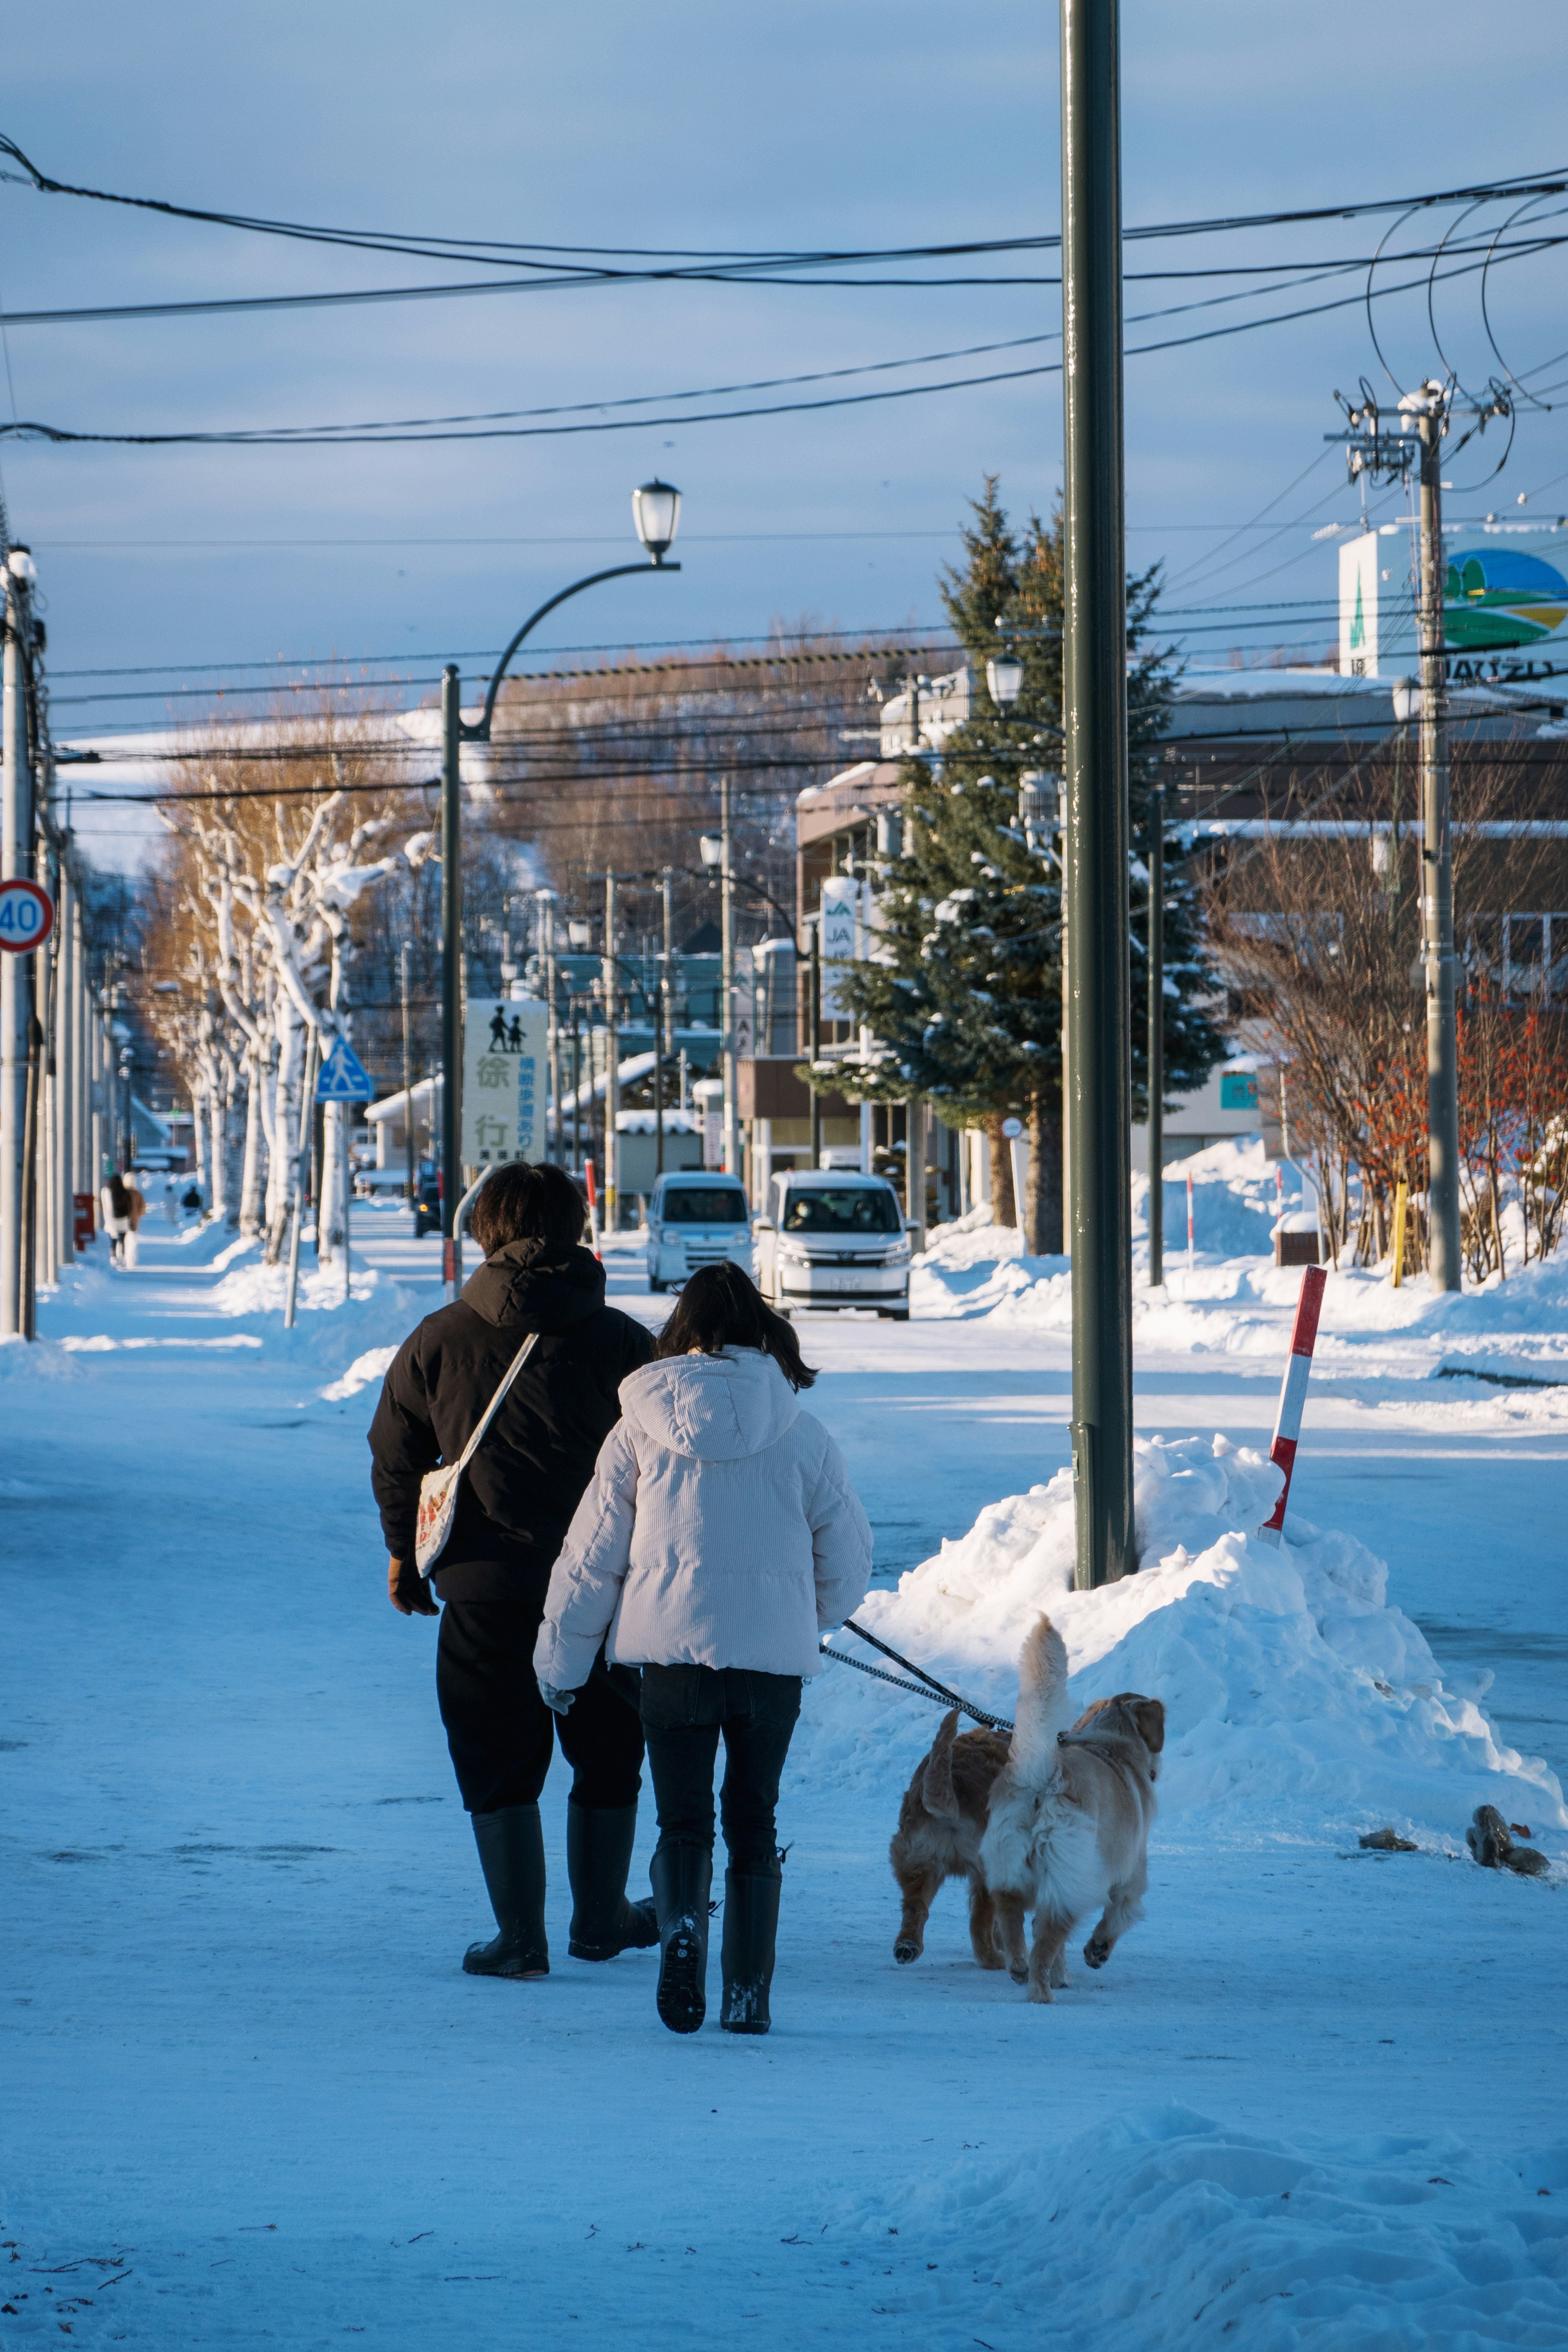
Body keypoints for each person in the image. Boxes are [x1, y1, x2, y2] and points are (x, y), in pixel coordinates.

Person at [533, 1262, 872, 2038]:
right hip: (769, 1672)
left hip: (669, 1662)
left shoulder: (637, 1429)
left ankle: (681, 1930)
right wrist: (800, 1614)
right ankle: (748, 1991)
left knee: (682, 1821)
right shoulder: (804, 1432)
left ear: (679, 1331)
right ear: (764, 1332)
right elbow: (848, 1559)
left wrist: (560, 1662)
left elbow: (591, 1558)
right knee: (754, 1819)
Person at [368, 1159, 657, 1981]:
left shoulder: (439, 1337)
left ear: (483, 1228)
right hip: (602, 1587)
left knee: (495, 1751)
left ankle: (519, 1937)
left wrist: (404, 1552)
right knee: (606, 1744)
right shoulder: (625, 1342)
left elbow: (395, 1454)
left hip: (482, 1587)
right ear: (575, 1228)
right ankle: (601, 1917)